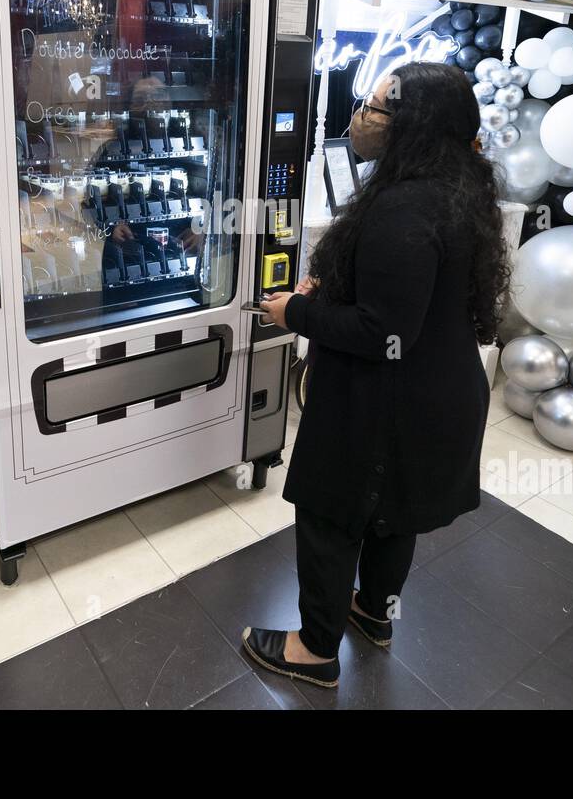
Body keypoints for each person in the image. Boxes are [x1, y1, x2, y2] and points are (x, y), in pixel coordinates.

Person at [241, 61, 510, 688]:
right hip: (436, 393)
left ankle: (313, 650)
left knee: (333, 517)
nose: (359, 115)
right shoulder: (455, 190)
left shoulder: (404, 207)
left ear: (409, 127)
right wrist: (333, 289)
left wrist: (297, 311)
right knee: (393, 516)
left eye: (376, 107)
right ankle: (374, 612)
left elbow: (381, 331)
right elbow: (411, 300)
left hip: (383, 403)